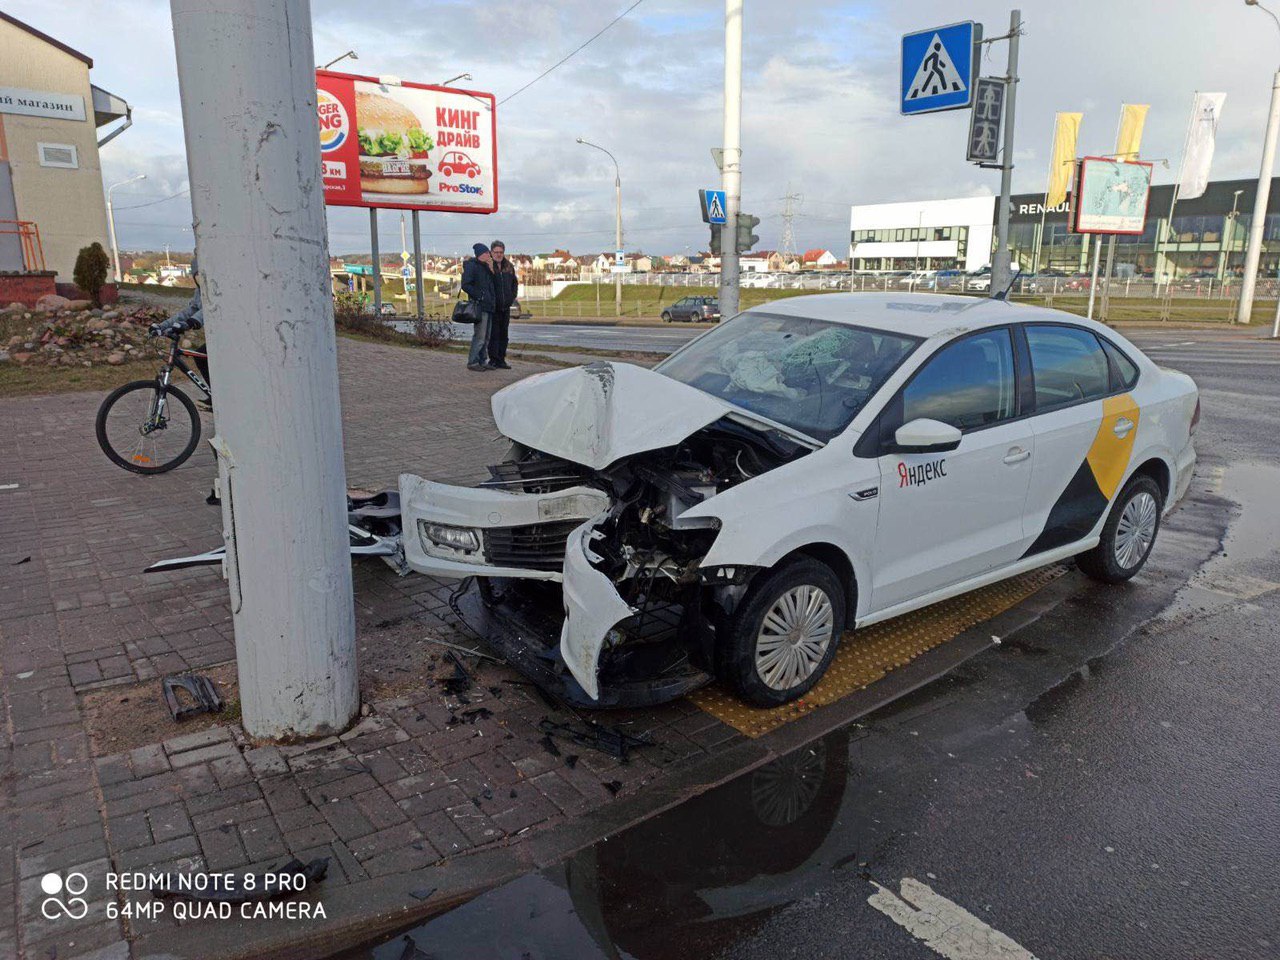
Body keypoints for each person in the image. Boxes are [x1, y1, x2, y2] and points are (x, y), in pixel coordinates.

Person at [460, 243, 497, 371]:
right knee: (480, 336)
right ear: (481, 254)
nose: (489, 255)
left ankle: (482, 360)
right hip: (480, 306)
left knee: (486, 337)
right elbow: (466, 285)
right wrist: (479, 296)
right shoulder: (472, 266)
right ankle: (473, 362)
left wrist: (492, 270)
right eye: (487, 253)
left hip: (489, 305)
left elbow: (492, 285)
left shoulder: (486, 267)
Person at [488, 240, 517, 369]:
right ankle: (493, 359)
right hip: (493, 307)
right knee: (493, 334)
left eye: (501, 252)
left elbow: (514, 284)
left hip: (506, 306)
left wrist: (512, 297)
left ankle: (501, 359)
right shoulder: (488, 266)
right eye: (496, 252)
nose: (499, 255)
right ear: (491, 252)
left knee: (504, 334)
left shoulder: (509, 266)